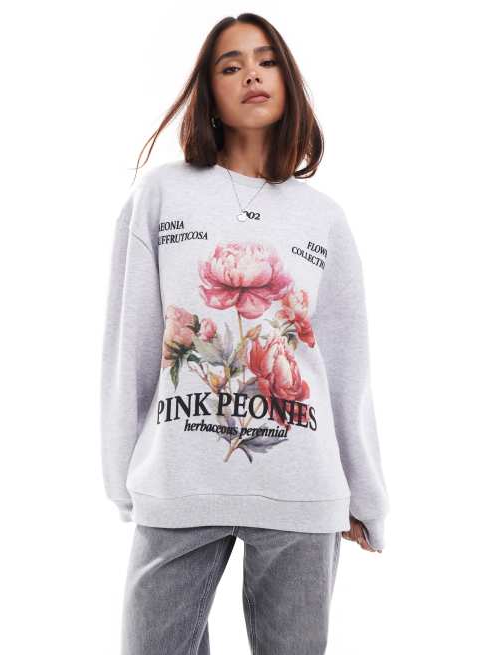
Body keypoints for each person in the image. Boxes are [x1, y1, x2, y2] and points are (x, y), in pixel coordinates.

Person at [100, 12, 390, 655]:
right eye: (230, 66)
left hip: (303, 488)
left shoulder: (324, 218)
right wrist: (124, 476)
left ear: (288, 81)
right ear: (209, 91)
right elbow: (131, 345)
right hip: (178, 483)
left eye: (266, 61)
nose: (251, 75)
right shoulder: (161, 195)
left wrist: (365, 494)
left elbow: (345, 367)